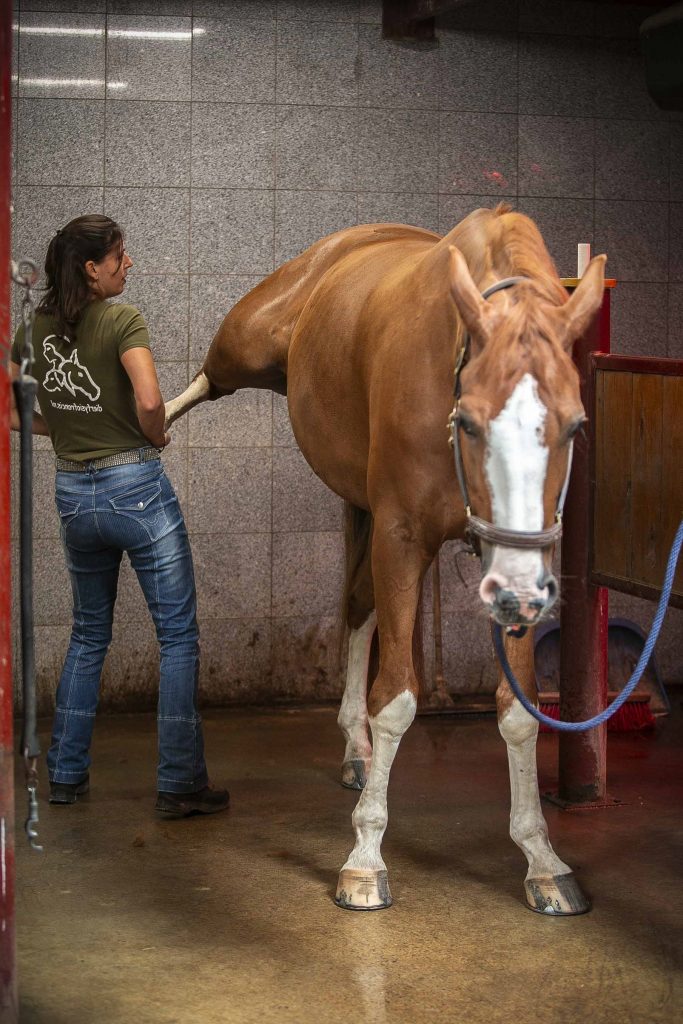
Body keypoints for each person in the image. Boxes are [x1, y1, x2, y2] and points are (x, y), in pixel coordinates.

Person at [10, 214, 229, 819]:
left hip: (73, 492)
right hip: (136, 488)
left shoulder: (31, 331)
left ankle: (65, 775)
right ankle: (179, 783)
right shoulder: (121, 319)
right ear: (92, 268)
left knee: (88, 634)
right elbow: (151, 400)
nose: (128, 264)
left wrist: (68, 430)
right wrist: (153, 435)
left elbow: (10, 413)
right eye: (119, 256)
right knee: (177, 637)